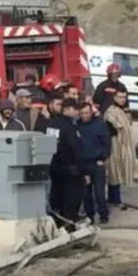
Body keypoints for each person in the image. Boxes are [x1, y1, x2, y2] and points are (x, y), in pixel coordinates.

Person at [47, 98, 83, 232]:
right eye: (76, 109)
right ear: (68, 109)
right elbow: (75, 148)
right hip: (70, 169)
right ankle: (69, 227)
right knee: (71, 201)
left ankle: (58, 226)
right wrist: (81, 168)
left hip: (54, 167)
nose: (78, 112)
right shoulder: (69, 126)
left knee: (56, 199)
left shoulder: (52, 123)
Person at [78, 102, 111, 224]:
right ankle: (90, 216)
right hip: (83, 164)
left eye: (87, 112)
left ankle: (103, 215)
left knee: (99, 192)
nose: (84, 115)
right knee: (86, 194)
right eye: (82, 113)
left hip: (97, 164)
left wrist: (103, 159)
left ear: (91, 112)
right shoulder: (77, 126)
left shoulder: (100, 124)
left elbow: (106, 143)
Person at [103, 89, 135, 209]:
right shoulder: (111, 111)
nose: (122, 99)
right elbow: (114, 128)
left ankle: (113, 198)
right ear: (114, 98)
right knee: (114, 171)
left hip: (122, 145)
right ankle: (116, 199)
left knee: (118, 171)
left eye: (124, 97)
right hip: (113, 143)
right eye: (120, 97)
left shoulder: (123, 111)